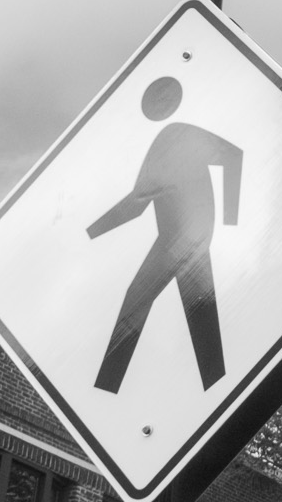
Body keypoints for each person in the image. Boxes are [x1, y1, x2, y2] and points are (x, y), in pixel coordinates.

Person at [88, 76, 243, 392]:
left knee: (137, 298)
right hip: (181, 237)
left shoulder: (181, 133)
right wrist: (90, 233)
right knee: (201, 309)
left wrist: (230, 219)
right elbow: (137, 204)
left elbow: (233, 156)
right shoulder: (160, 145)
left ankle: (105, 387)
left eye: (159, 102)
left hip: (184, 237)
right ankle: (216, 388)